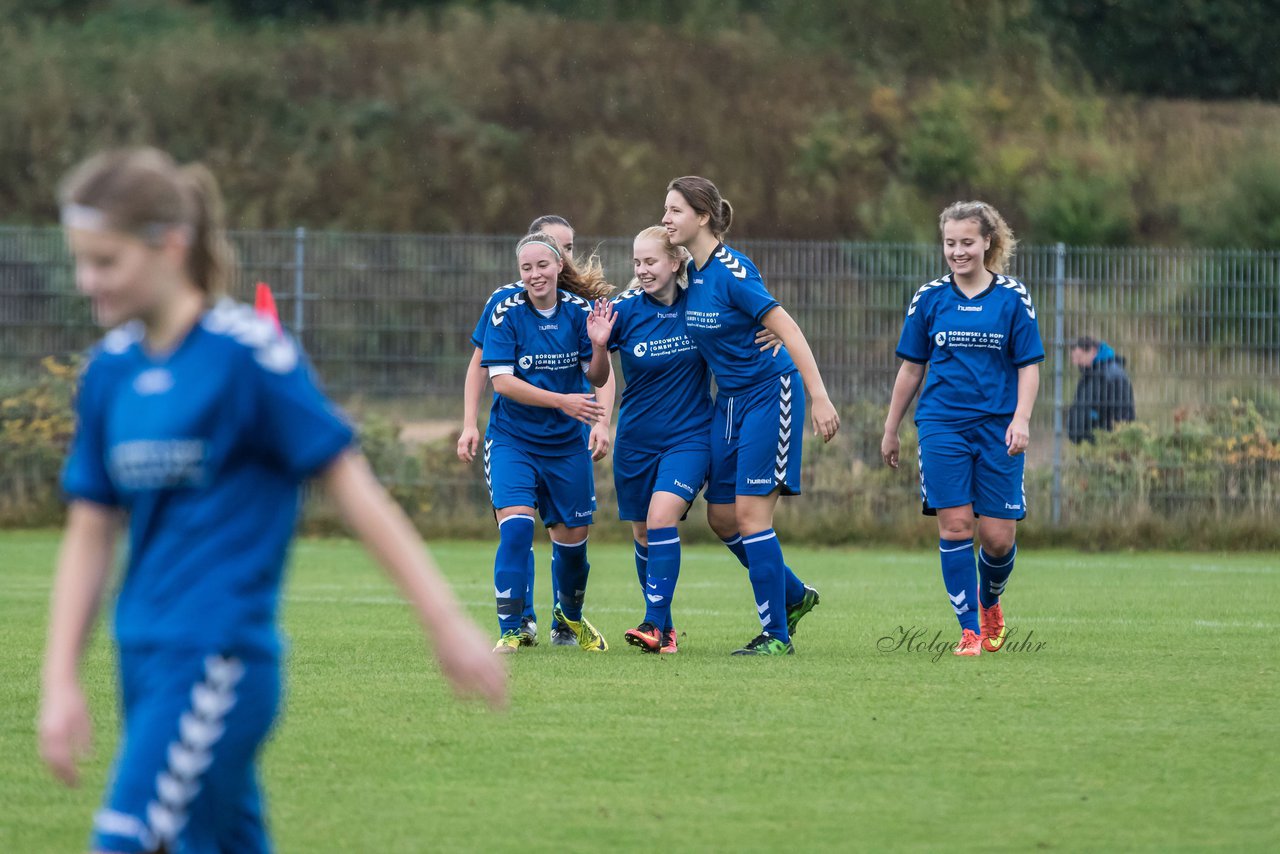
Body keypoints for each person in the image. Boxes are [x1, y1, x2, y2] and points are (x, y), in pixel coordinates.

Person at [38, 147, 505, 854]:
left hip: (219, 660)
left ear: (168, 245)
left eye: (105, 262)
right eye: (80, 260)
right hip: (142, 658)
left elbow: (352, 487)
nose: (86, 281)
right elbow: (91, 531)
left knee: (127, 837)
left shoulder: (249, 355)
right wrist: (60, 677)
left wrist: (445, 622)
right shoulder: (109, 371)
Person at [662, 176, 840, 656]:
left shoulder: (733, 270)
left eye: (674, 210)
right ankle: (794, 595)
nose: (665, 219)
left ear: (702, 217)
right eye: (665, 210)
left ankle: (775, 636)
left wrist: (819, 396)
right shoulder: (692, 275)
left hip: (770, 393)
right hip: (731, 403)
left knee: (750, 515)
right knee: (721, 518)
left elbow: (788, 328)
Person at [881, 200, 1044, 657]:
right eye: (950, 243)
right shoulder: (929, 298)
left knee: (997, 537)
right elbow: (912, 369)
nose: (957, 252)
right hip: (941, 425)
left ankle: (990, 600)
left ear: (987, 242)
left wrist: (1021, 419)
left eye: (966, 242)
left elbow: (1029, 366)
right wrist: (891, 427)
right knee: (955, 527)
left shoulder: (1013, 297)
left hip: (998, 430)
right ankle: (969, 630)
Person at [457, 215, 616, 648]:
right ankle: (513, 629)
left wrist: (600, 347)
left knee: (572, 548)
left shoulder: (581, 311)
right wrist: (470, 423)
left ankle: (567, 622)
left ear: (560, 264)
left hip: (566, 445)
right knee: (516, 529)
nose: (534, 274)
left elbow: (599, 376)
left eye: (543, 265)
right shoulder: (506, 308)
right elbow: (499, 379)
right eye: (526, 268)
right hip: (513, 439)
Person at [588, 226, 711, 654]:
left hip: (691, 438)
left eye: (651, 261)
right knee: (642, 533)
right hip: (636, 442)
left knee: (661, 520)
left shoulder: (701, 302)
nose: (641, 270)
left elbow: (747, 321)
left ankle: (653, 625)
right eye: (637, 262)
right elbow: (597, 377)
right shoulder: (623, 310)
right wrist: (601, 347)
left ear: (675, 262)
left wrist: (770, 334)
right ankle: (666, 630)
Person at [1067, 335, 1136, 443]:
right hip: (1088, 445)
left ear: (1093, 351)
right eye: (1074, 358)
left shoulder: (1113, 375)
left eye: (1079, 357)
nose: (1076, 363)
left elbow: (1123, 415)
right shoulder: (1090, 374)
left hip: (1104, 446)